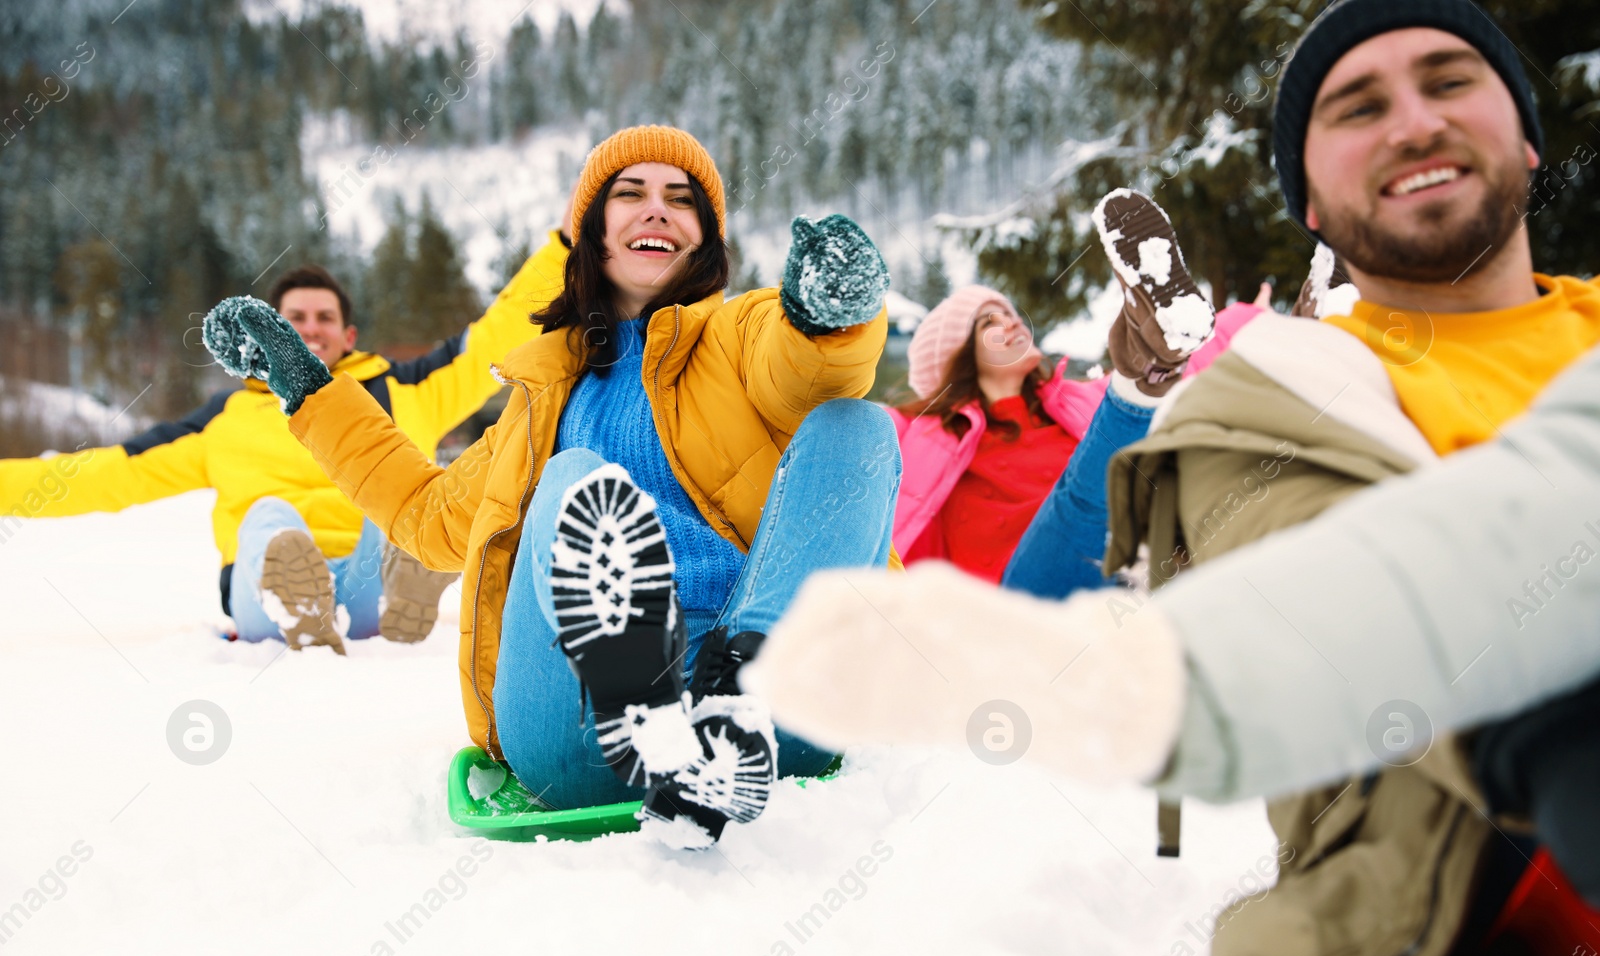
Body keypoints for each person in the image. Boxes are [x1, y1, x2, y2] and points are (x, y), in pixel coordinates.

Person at [747, 0, 1600, 956]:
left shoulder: (1067, 404)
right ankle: (1208, 348)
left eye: (1449, 80)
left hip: (1138, 522)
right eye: (1358, 106)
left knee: (1164, 408)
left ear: (1526, 137)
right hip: (1057, 587)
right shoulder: (940, 436)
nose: (1411, 120)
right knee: (1197, 412)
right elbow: (1090, 561)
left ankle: (1223, 335)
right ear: (1311, 204)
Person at [200, 125, 899, 850]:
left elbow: (810, 365)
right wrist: (309, 390)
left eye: (679, 199)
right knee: (573, 480)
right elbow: (424, 516)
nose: (655, 209)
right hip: (583, 730)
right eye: (629, 194)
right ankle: (650, 720)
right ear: (590, 233)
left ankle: (738, 700)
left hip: (768, 723)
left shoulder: (740, 335)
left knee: (859, 426)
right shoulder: (541, 403)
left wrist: (830, 315)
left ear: (706, 238)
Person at [0, 247, 566, 652]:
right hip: (263, 599)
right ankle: (299, 591)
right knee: (270, 517)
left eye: (325, 318)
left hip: (370, 580)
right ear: (268, 333)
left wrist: (564, 248)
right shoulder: (221, 421)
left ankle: (403, 585)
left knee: (409, 505)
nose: (310, 330)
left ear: (349, 336)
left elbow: (492, 338)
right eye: (294, 320)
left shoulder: (400, 389)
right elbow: (105, 474)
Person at [892, 191, 1220, 592]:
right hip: (1018, 609)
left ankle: (1152, 347)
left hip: (1128, 579)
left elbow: (1211, 361)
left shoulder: (1079, 401)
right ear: (958, 357)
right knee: (1088, 494)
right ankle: (1146, 366)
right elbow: (842, 416)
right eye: (988, 323)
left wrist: (1264, 319)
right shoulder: (921, 435)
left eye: (1011, 312)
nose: (1013, 322)